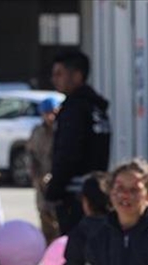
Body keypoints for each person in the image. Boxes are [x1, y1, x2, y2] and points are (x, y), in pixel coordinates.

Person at [47, 49, 110, 237]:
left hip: (74, 197)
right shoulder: (96, 108)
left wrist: (53, 192)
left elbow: (68, 154)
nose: (54, 79)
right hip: (96, 193)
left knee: (75, 254)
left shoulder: (75, 109)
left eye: (59, 73)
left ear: (77, 76)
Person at [28, 96, 62, 243]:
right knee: (45, 219)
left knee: (60, 222)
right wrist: (37, 176)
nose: (50, 117)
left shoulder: (63, 130)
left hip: (59, 182)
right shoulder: (37, 132)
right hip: (42, 184)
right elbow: (31, 155)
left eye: (53, 112)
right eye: (47, 113)